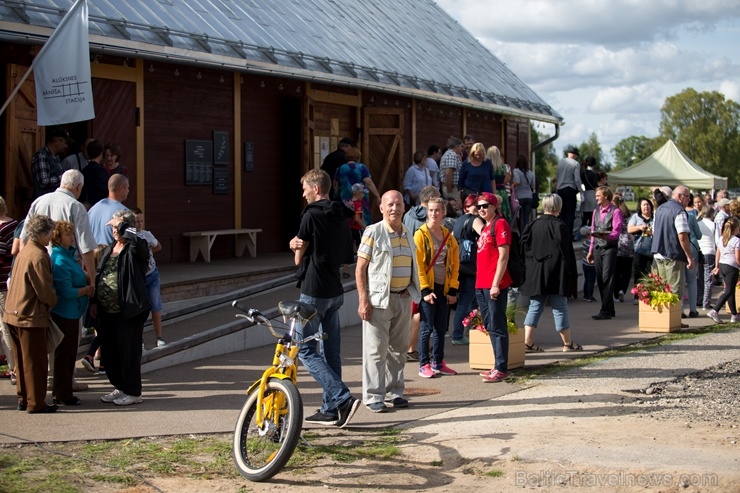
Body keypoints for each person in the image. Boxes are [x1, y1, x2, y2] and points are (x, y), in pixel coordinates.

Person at [289, 169, 359, 427]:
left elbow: (299, 257)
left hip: (313, 290)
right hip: (335, 291)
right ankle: (330, 409)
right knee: (331, 353)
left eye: (305, 187)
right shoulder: (342, 214)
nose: (303, 192)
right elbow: (344, 255)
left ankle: (341, 397)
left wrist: (294, 246)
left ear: (316, 188)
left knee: (305, 349)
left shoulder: (310, 215)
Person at [356, 190, 421, 413]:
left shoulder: (408, 233)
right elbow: (360, 269)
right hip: (378, 301)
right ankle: (373, 396)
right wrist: (363, 300)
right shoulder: (373, 232)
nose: (395, 208)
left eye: (399, 204)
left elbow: (412, 265)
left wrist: (411, 289)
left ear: (404, 207)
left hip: (402, 299)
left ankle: (395, 393)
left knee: (399, 349)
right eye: (390, 204)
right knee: (376, 350)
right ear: (382, 208)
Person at [92, 210, 151, 406]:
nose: (115, 231)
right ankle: (120, 386)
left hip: (129, 310)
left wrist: (126, 227)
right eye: (113, 228)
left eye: (118, 227)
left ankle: (133, 392)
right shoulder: (110, 248)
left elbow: (142, 246)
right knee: (111, 352)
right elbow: (101, 274)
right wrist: (94, 301)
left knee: (129, 352)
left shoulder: (136, 247)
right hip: (107, 312)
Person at [3, 215, 58, 413]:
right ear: (43, 233)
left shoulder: (25, 250)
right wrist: (53, 300)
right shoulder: (38, 255)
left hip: (13, 313)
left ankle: (23, 398)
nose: (52, 236)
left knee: (21, 360)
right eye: (50, 232)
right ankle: (36, 402)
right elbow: (44, 290)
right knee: (35, 362)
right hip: (29, 316)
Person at [520, 194, 581, 352]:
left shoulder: (533, 225)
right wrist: (572, 273)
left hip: (536, 272)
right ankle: (567, 343)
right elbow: (567, 252)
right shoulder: (559, 226)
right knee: (560, 307)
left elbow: (524, 247)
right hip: (556, 272)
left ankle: (528, 341)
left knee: (535, 306)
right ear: (558, 207)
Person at [49, 221, 95, 406]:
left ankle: (63, 391)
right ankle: (62, 394)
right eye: (68, 235)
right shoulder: (60, 260)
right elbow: (66, 292)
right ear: (58, 238)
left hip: (74, 313)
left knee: (69, 354)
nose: (72, 238)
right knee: (65, 355)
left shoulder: (68, 256)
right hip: (65, 314)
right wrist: (87, 290)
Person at [414, 197, 460, 378]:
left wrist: (453, 288)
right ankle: (423, 363)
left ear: (443, 212)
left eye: (437, 210)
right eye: (431, 210)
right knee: (426, 327)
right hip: (428, 287)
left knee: (441, 327)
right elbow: (417, 264)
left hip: (444, 286)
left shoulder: (448, 236)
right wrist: (424, 290)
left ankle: (438, 361)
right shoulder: (421, 234)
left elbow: (455, 264)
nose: (434, 214)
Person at [472, 192, 512, 383]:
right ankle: (497, 364)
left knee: (497, 325)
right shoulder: (486, 227)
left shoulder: (500, 224)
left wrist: (496, 283)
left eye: (486, 205)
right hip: (481, 283)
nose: (482, 209)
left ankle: (501, 367)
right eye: (479, 206)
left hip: (493, 284)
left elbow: (504, 256)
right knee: (489, 324)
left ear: (495, 206)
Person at [401, 185, 441, 361]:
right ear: (430, 200)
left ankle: (409, 345)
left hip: (405, 265)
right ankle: (411, 348)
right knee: (419, 311)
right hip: (422, 269)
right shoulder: (428, 220)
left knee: (410, 310)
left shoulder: (408, 215)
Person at [651, 186, 694, 315]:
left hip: (658, 254)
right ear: (680, 196)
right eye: (687, 197)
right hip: (673, 254)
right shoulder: (679, 211)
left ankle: (662, 319)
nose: (689, 200)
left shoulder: (659, 209)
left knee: (661, 289)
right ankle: (673, 319)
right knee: (674, 289)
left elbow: (654, 231)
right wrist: (689, 256)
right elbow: (682, 236)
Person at [451, 194, 484, 345]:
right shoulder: (474, 220)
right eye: (476, 206)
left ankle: (475, 330)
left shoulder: (459, 220)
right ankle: (458, 334)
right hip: (471, 265)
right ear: (468, 207)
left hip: (459, 264)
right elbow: (486, 236)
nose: (479, 209)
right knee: (467, 300)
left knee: (471, 301)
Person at [586, 186, 623, 320]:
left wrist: (605, 236)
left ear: (606, 196)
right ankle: (610, 308)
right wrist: (590, 250)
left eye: (598, 195)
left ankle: (605, 310)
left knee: (607, 278)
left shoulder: (615, 211)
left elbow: (616, 232)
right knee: (601, 279)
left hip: (609, 248)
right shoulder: (595, 211)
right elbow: (592, 231)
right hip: (597, 248)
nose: (596, 198)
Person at [131, 207, 166, 348]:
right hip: (138, 277)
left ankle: (159, 337)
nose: (139, 224)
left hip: (151, 274)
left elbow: (158, 246)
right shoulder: (129, 236)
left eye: (141, 221)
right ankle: (141, 340)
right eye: (136, 221)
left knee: (155, 305)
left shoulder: (147, 235)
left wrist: (148, 251)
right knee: (140, 309)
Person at [334, 147, 381, 229]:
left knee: (348, 220)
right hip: (360, 197)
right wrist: (377, 195)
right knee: (362, 217)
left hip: (345, 199)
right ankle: (365, 234)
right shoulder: (361, 167)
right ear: (358, 157)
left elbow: (335, 185)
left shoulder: (340, 168)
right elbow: (369, 182)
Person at [707, 217, 740, 324]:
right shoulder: (736, 240)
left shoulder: (721, 239)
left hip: (722, 265)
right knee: (729, 291)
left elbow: (718, 253)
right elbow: (737, 257)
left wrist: (717, 266)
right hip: (732, 266)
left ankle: (734, 315)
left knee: (730, 290)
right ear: (736, 228)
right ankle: (715, 310)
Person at [0, 197, 18, 383]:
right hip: (10, 282)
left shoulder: (2, 229)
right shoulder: (15, 225)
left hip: (1, 285)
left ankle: (14, 368)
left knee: (6, 327)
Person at [88, 174, 130, 245]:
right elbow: (130, 240)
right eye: (127, 188)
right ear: (121, 188)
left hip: (93, 254)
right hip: (112, 254)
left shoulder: (93, 209)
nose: (128, 191)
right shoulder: (124, 212)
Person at [627, 198, 655, 304]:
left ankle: (648, 295)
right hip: (639, 249)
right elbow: (629, 229)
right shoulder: (635, 217)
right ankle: (637, 296)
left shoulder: (655, 217)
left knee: (650, 273)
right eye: (644, 205)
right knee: (639, 272)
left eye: (648, 204)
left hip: (652, 249)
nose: (646, 207)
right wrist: (639, 227)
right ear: (640, 207)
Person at [32, 128, 68, 198]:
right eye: (65, 142)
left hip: (55, 199)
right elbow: (43, 181)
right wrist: (63, 178)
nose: (66, 146)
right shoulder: (41, 156)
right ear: (58, 140)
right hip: (44, 200)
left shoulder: (56, 157)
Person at [555, 146, 582, 238]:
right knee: (570, 214)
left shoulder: (561, 162)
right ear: (575, 155)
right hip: (570, 188)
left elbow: (557, 175)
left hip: (560, 189)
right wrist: (580, 190)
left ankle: (560, 234)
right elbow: (577, 179)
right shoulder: (576, 164)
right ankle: (569, 235)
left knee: (561, 213)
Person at [683, 195, 703, 318]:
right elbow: (699, 235)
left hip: (680, 249)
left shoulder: (676, 214)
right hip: (692, 247)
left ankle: (679, 310)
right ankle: (693, 309)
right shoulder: (691, 216)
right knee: (692, 280)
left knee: (680, 281)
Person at [612, 195, 633, 304]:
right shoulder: (629, 215)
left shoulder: (614, 213)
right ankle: (622, 290)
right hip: (628, 245)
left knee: (616, 271)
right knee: (627, 271)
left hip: (617, 245)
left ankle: (615, 294)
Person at [697, 206, 717, 309]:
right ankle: (706, 302)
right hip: (710, 252)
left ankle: (699, 299)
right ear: (712, 214)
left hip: (699, 251)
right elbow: (717, 240)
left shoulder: (698, 224)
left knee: (699, 278)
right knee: (708, 279)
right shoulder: (714, 225)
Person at [485, 146, 511, 222]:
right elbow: (505, 181)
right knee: (503, 213)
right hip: (502, 192)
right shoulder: (503, 167)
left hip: (492, 191)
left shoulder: (487, 167)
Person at [80, 140, 108, 208]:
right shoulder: (100, 171)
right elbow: (104, 191)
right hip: (98, 206)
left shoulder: (84, 170)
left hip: (84, 206)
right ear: (101, 154)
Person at [512, 155, 535, 229]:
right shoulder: (531, 173)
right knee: (526, 218)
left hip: (519, 197)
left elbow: (517, 181)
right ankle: (527, 234)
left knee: (519, 218)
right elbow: (533, 185)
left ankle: (521, 235)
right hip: (529, 197)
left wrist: (511, 186)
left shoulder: (516, 171)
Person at [440, 137, 464, 207]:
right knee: (456, 208)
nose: (462, 149)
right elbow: (449, 173)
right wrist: (449, 189)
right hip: (452, 188)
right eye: (461, 146)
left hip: (449, 187)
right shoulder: (452, 155)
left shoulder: (448, 154)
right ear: (456, 146)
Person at [579, 226, 597, 302]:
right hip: (591, 264)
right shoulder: (591, 243)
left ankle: (585, 295)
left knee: (586, 280)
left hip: (584, 263)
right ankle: (589, 296)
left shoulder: (583, 242)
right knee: (591, 281)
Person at [580, 156, 598, 227]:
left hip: (585, 194)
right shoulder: (593, 174)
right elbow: (595, 186)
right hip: (592, 194)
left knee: (585, 216)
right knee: (592, 216)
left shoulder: (583, 173)